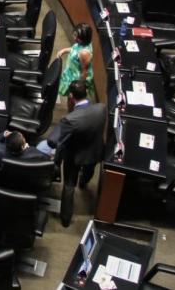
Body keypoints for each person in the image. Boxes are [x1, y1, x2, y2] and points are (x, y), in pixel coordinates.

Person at [37, 80, 106, 227]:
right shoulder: (101, 109)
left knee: (69, 186)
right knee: (89, 170)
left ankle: (66, 219)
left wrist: (57, 159)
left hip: (74, 157)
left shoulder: (70, 120)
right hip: (94, 152)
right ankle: (84, 182)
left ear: (71, 96)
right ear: (86, 93)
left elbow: (53, 142)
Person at [57, 23, 94, 111]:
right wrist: (65, 50)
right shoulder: (81, 44)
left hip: (76, 79)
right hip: (71, 73)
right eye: (75, 35)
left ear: (83, 39)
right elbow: (75, 49)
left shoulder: (84, 53)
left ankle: (70, 114)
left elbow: (84, 72)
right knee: (69, 98)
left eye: (77, 37)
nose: (74, 38)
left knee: (72, 99)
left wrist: (77, 88)